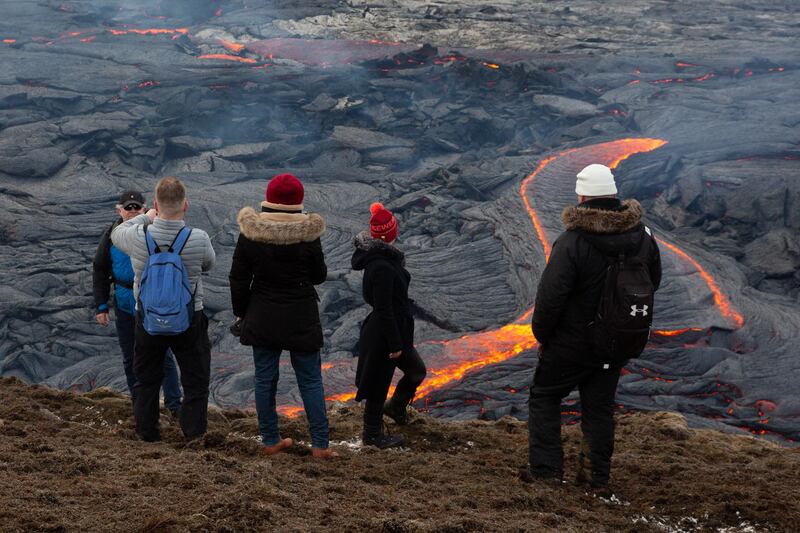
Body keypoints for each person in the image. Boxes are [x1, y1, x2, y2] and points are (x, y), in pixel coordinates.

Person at [527, 163, 662, 495]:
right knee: (599, 409)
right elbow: (652, 282)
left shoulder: (572, 242)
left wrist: (543, 336)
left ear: (582, 195)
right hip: (615, 343)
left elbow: (550, 297)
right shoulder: (643, 236)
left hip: (571, 345)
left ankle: (547, 474)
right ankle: (596, 479)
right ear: (614, 193)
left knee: (544, 397)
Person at [228, 173, 336, 458]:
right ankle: (321, 446)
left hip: (262, 313)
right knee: (311, 379)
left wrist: (241, 313)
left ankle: (270, 440)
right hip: (301, 314)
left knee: (265, 378)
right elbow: (319, 275)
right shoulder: (309, 235)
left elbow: (238, 278)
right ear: (297, 202)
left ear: (269, 200)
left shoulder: (251, 234)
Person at [111, 177, 216, 442]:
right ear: (186, 205)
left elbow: (115, 233)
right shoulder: (199, 238)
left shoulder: (137, 237)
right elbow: (208, 265)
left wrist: (146, 217)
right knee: (195, 380)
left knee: (146, 379)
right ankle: (193, 434)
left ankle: (147, 433)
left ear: (156, 204)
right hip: (189, 318)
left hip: (147, 320)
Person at [92, 190, 183, 417]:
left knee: (164, 356)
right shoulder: (111, 235)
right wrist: (101, 306)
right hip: (124, 306)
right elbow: (100, 269)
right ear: (119, 209)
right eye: (128, 208)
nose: (132, 212)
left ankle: (174, 405)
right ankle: (139, 403)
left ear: (145, 209)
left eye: (136, 208)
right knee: (130, 357)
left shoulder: (152, 232)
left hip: (152, 307)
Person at [351, 202, 427, 449]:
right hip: (385, 333)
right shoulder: (381, 265)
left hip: (396, 331)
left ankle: (395, 407)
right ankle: (372, 435)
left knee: (416, 371)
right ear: (391, 233)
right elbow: (383, 307)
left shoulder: (382, 258)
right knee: (378, 384)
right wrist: (395, 344)